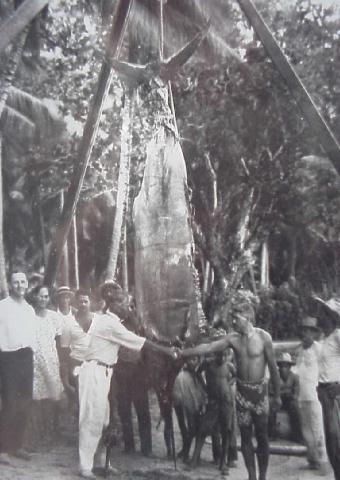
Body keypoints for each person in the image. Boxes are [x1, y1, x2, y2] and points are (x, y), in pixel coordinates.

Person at [77, 280, 177, 479]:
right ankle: (85, 467)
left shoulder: (111, 321)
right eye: (122, 302)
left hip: (104, 372)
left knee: (104, 420)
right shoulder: (108, 323)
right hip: (94, 372)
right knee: (91, 420)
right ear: (111, 303)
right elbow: (140, 342)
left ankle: (101, 461)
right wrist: (167, 350)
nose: (126, 306)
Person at [179, 293, 281, 480]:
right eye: (233, 316)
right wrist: (183, 352)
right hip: (242, 396)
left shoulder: (263, 337)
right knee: (246, 437)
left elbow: (274, 369)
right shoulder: (233, 339)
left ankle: (263, 477)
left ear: (248, 317)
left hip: (260, 394)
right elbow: (208, 348)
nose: (233, 320)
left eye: (237, 317)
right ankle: (252, 476)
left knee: (262, 437)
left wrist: (277, 396)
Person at [0, 271, 36, 464]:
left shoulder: (29, 309)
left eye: (23, 281)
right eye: (16, 282)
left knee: (25, 403)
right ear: (11, 284)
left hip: (26, 357)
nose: (20, 285)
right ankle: (3, 449)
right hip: (8, 358)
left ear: (27, 284)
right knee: (10, 403)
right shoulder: (2, 307)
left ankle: (17, 446)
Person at [294, 316, 328, 473]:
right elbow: (296, 373)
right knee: (306, 430)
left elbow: (327, 368)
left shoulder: (319, 349)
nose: (305, 334)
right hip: (302, 395)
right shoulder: (299, 350)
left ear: (314, 333)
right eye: (303, 330)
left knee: (318, 428)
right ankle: (312, 459)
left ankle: (323, 462)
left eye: (308, 331)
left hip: (316, 396)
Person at [31, 285, 64, 441]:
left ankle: (54, 430)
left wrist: (61, 362)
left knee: (54, 395)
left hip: (51, 358)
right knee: (37, 397)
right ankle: (40, 432)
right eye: (40, 296)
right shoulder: (29, 316)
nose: (43, 299)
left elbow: (59, 341)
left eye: (46, 296)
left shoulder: (54, 317)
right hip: (34, 360)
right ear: (35, 297)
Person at [313, 296, 340, 480]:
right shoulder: (324, 339)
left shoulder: (338, 335)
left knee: (335, 435)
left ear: (331, 317)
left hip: (335, 391)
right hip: (324, 392)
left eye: (323, 313)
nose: (319, 317)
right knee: (331, 439)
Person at [271, 352, 302, 443]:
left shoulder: (295, 377)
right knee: (271, 407)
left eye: (286, 366)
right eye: (281, 366)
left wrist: (288, 395)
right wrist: (278, 396)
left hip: (289, 400)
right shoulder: (274, 377)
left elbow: (296, 394)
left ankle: (297, 435)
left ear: (290, 367)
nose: (283, 368)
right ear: (279, 367)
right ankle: (272, 434)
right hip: (277, 399)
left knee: (295, 407)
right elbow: (271, 392)